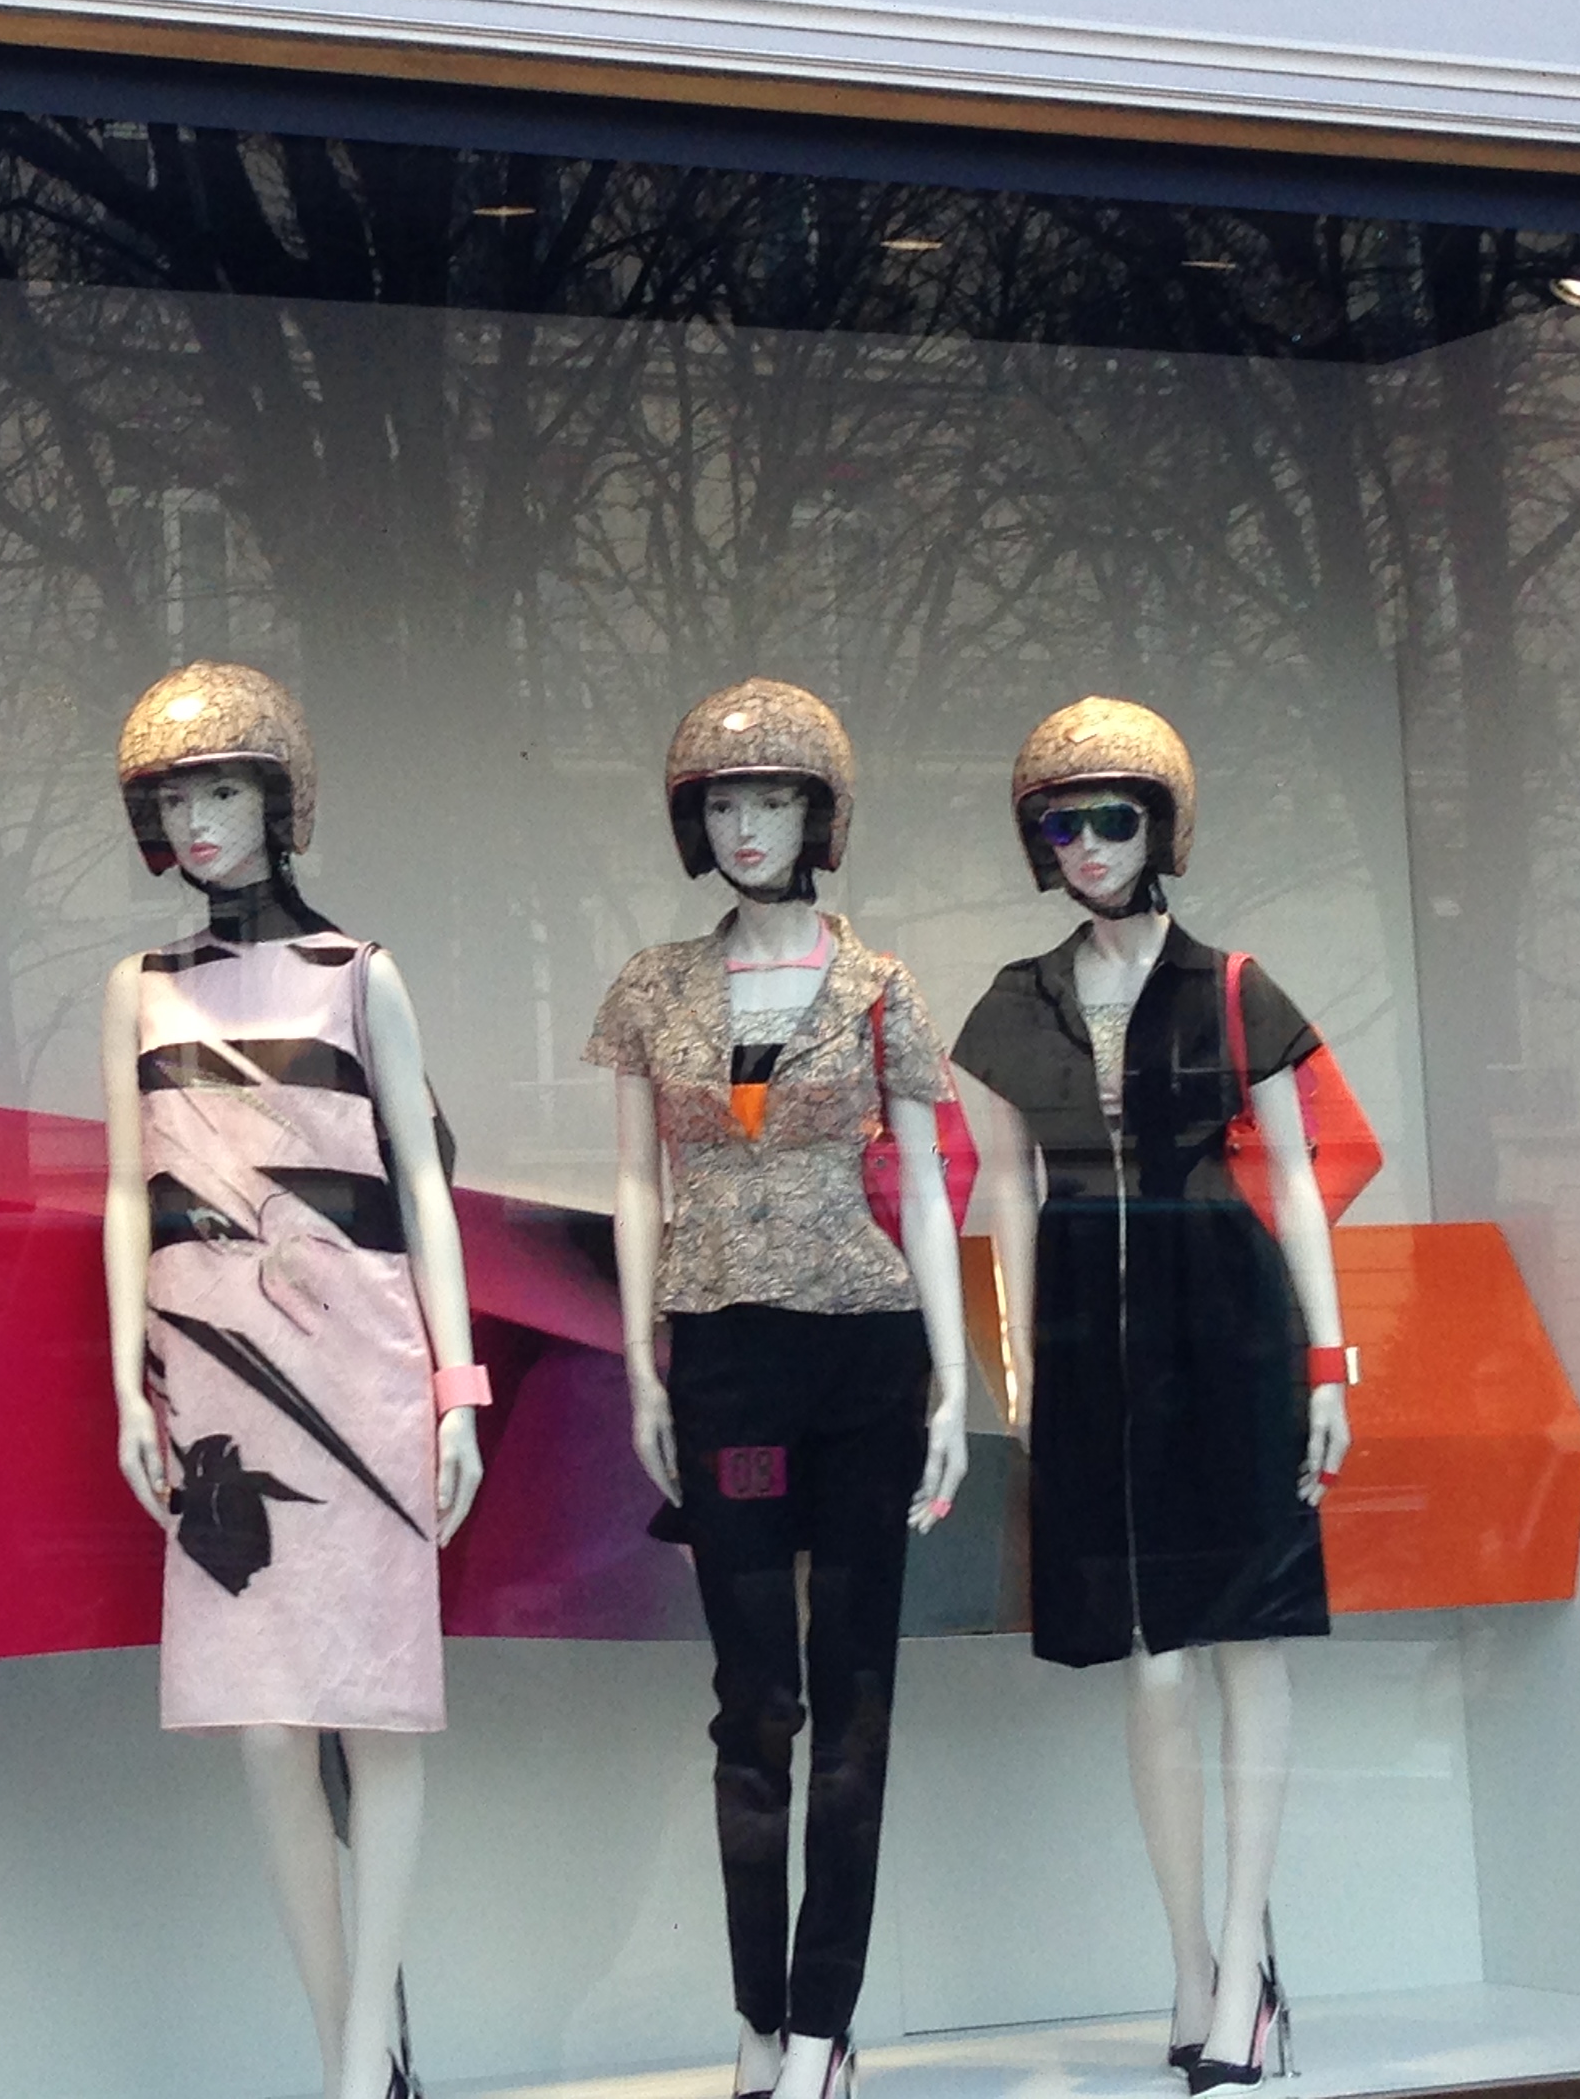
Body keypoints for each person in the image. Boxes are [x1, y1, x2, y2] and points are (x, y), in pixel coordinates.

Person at [949, 698, 1354, 2094]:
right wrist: (1019, 1363)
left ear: (1161, 827)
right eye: (1061, 823)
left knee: (1245, 1638)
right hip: (1087, 1344)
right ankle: (1188, 1961)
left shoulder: (1233, 988)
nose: (1087, 845)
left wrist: (1329, 1360)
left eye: (1112, 818)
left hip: (1228, 1327)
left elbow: (1292, 1177)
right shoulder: (1017, 1003)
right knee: (1153, 1664)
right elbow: (1007, 1191)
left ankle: (1243, 1970)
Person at [100, 660, 487, 2099]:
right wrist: (127, 1387)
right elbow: (126, 1192)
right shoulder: (139, 991)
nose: (199, 822)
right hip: (213, 1382)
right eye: (174, 799)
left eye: (223, 790)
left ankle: (357, 2064)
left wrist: (458, 1389)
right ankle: (353, 2050)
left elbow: (424, 1187)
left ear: (278, 803)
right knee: (265, 1730)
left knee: (375, 1711)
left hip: (365, 1366)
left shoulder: (357, 974)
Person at [587, 679, 970, 2099]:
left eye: (775, 802)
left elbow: (923, 1187)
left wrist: (953, 1378)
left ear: (822, 817)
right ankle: (759, 2018)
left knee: (856, 1688)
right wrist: (641, 1360)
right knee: (752, 1696)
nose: (749, 828)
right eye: (725, 804)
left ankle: (824, 2024)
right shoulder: (653, 988)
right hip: (726, 1365)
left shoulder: (880, 987)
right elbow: (637, 1183)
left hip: (864, 1356)